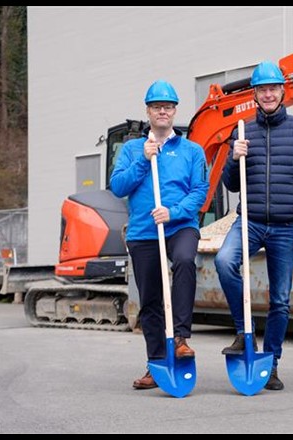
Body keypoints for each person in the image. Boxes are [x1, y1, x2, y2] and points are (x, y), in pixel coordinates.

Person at [214, 61, 293, 391]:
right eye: (262, 89)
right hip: (249, 220)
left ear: (282, 91)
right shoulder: (242, 130)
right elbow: (230, 185)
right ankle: (241, 330)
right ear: (255, 95)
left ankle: (271, 363)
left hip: (287, 226)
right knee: (224, 261)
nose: (267, 94)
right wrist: (234, 157)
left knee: (280, 299)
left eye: (273, 88)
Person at [110, 80, 209, 390]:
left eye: (167, 107)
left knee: (183, 262)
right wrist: (143, 158)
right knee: (150, 299)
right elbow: (118, 187)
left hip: (180, 226)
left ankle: (180, 338)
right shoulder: (131, 149)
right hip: (143, 231)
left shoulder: (192, 150)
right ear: (149, 112)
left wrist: (174, 212)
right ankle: (156, 364)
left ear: (174, 111)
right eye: (157, 107)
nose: (162, 111)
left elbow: (200, 192)